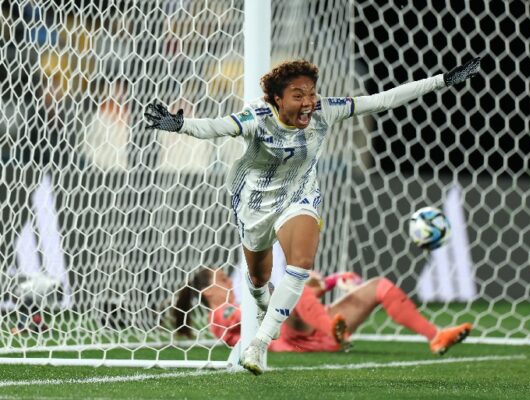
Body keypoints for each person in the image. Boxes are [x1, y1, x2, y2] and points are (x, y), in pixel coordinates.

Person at [145, 57, 480, 374]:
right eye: (298, 95)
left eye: (311, 93)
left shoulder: (325, 110)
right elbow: (216, 126)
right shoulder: (257, 118)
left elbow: (381, 100)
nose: (308, 102)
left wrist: (442, 80)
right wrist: (179, 124)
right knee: (258, 280)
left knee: (301, 263)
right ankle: (264, 308)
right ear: (277, 99)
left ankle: (260, 344)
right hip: (255, 203)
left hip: (301, 196)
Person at [169, 256, 472, 356]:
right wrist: (308, 284)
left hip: (316, 330)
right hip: (290, 339)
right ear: (208, 291)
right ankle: (334, 330)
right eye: (222, 278)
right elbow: (263, 312)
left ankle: (436, 335)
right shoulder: (218, 315)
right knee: (295, 290)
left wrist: (332, 280)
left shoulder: (241, 298)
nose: (227, 280)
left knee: (380, 286)